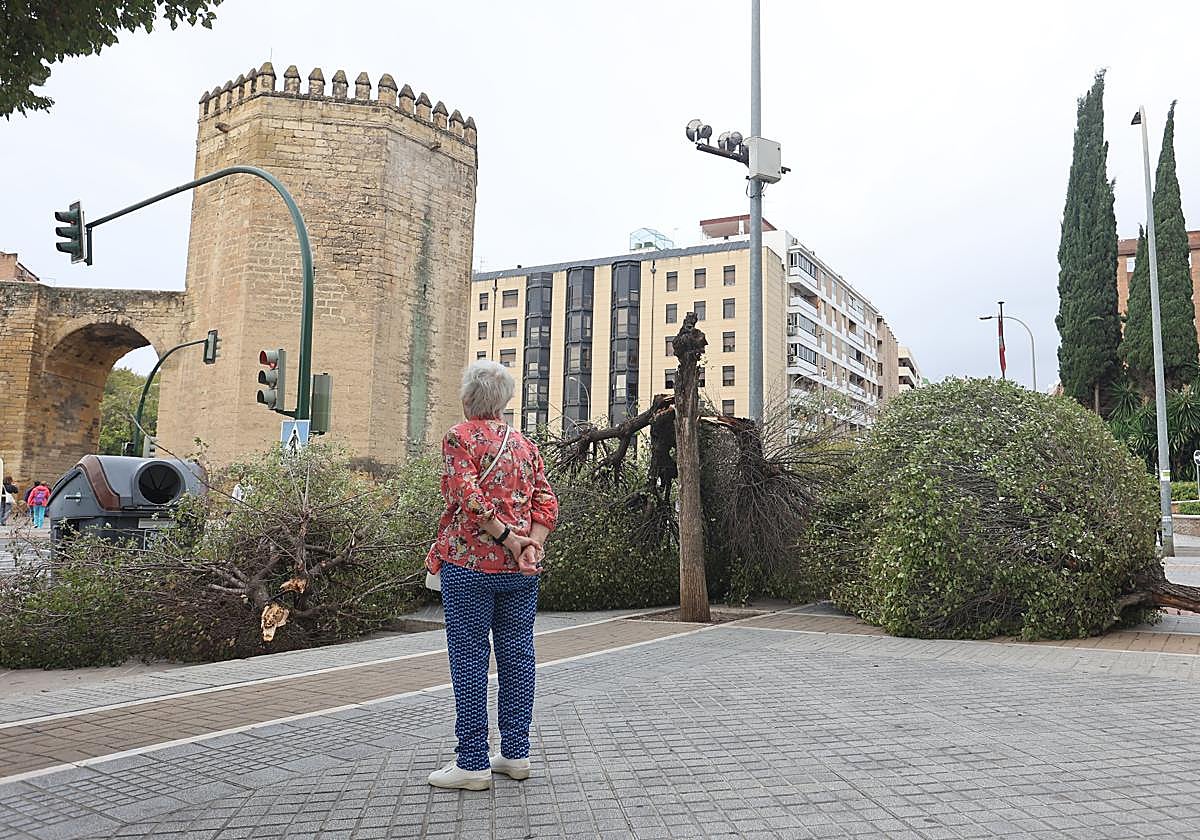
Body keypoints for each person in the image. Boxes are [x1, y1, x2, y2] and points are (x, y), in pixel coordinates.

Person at [425, 360, 558, 791]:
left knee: (469, 660)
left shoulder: (458, 437)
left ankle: (472, 762)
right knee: (518, 657)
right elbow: (546, 501)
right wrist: (529, 544)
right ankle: (516, 754)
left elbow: (469, 498)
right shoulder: (524, 444)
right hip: (520, 573)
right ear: (504, 402)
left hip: (469, 566)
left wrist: (506, 538)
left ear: (467, 399)